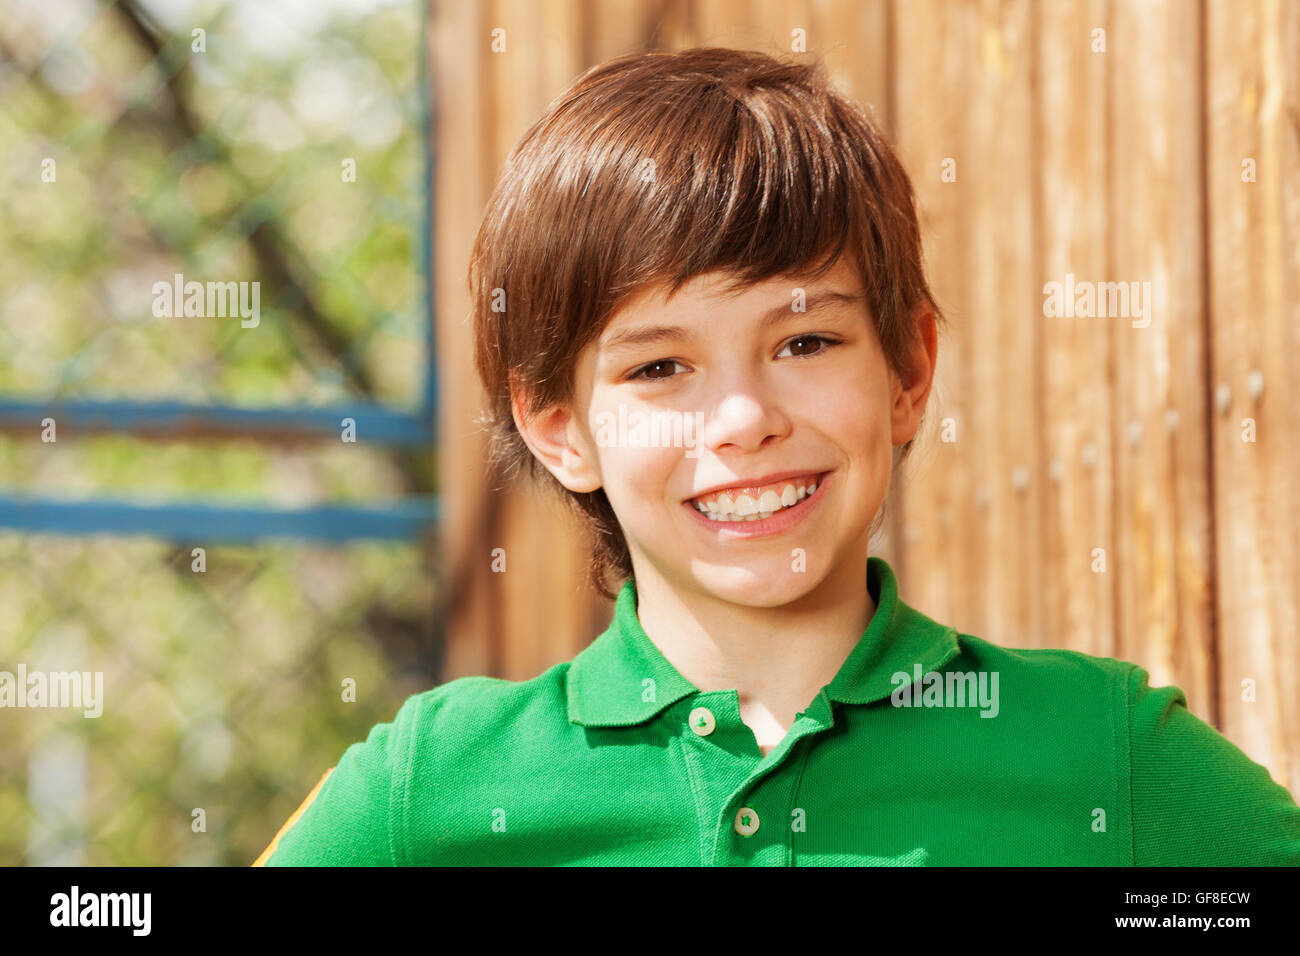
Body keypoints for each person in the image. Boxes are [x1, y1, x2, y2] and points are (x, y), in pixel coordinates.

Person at [255, 46, 1300, 866]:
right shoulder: (435, 781)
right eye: (659, 367)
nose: (743, 416)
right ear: (557, 426)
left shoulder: (1101, 751)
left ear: (906, 369)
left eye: (804, 342)